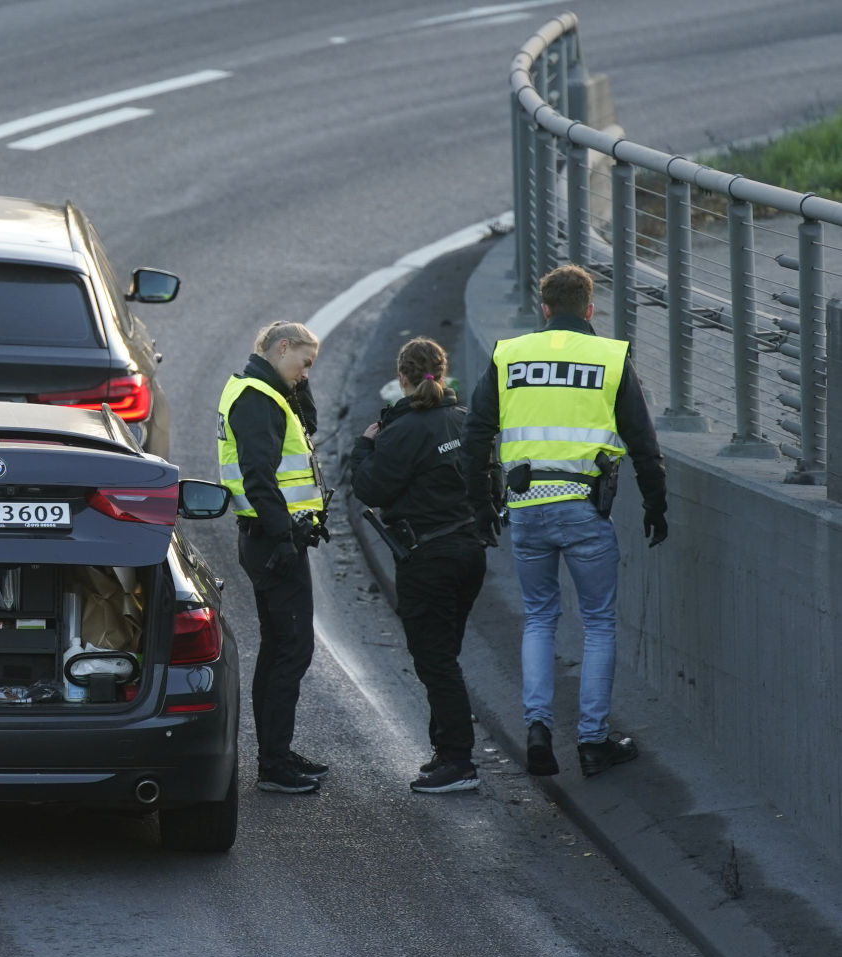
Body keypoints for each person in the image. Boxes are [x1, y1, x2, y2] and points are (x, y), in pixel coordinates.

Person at [462, 264, 668, 779]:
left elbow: (476, 436)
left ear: (545, 308)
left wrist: (481, 506)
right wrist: (655, 506)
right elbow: (643, 443)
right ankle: (593, 743)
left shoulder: (510, 355)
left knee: (539, 617)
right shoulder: (610, 356)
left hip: (528, 508)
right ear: (590, 310)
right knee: (597, 624)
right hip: (584, 509)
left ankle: (537, 728)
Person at [349, 337, 488, 793]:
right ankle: (445, 748)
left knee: (435, 661)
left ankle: (458, 762)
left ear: (402, 377)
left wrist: (364, 448)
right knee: (443, 657)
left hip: (428, 558)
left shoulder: (401, 432)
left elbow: (371, 489)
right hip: (469, 553)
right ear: (442, 374)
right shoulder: (464, 421)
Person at [217, 320, 331, 794]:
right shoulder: (257, 398)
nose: (305, 373)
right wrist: (284, 536)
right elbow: (259, 476)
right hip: (272, 541)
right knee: (292, 648)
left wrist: (299, 390)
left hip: (268, 538)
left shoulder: (263, 390)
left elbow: (301, 437)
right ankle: (274, 762)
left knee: (278, 646)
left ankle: (274, 753)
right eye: (303, 362)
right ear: (282, 347)